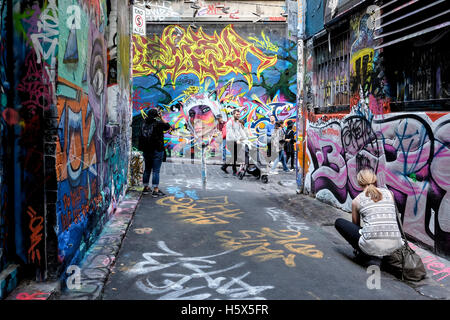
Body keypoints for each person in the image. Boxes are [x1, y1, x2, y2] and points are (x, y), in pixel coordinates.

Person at [334, 168, 403, 263]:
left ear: (359, 182)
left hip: (371, 246)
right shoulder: (390, 194)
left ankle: (363, 254)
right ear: (375, 179)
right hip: (396, 244)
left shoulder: (356, 201)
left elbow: (356, 225)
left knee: (339, 222)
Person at [140, 108, 173, 197]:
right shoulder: (158, 124)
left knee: (147, 169)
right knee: (156, 171)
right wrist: (161, 117)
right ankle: (155, 190)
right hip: (157, 150)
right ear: (157, 115)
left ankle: (146, 188)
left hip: (146, 150)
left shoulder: (143, 123)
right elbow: (168, 126)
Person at [221, 109, 246, 175]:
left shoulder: (238, 123)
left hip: (237, 142)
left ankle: (224, 166)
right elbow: (230, 133)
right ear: (233, 114)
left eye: (239, 114)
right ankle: (234, 171)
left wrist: (245, 138)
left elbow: (241, 131)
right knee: (234, 156)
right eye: (237, 114)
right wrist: (236, 140)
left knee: (234, 156)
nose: (238, 115)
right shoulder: (230, 122)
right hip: (231, 141)